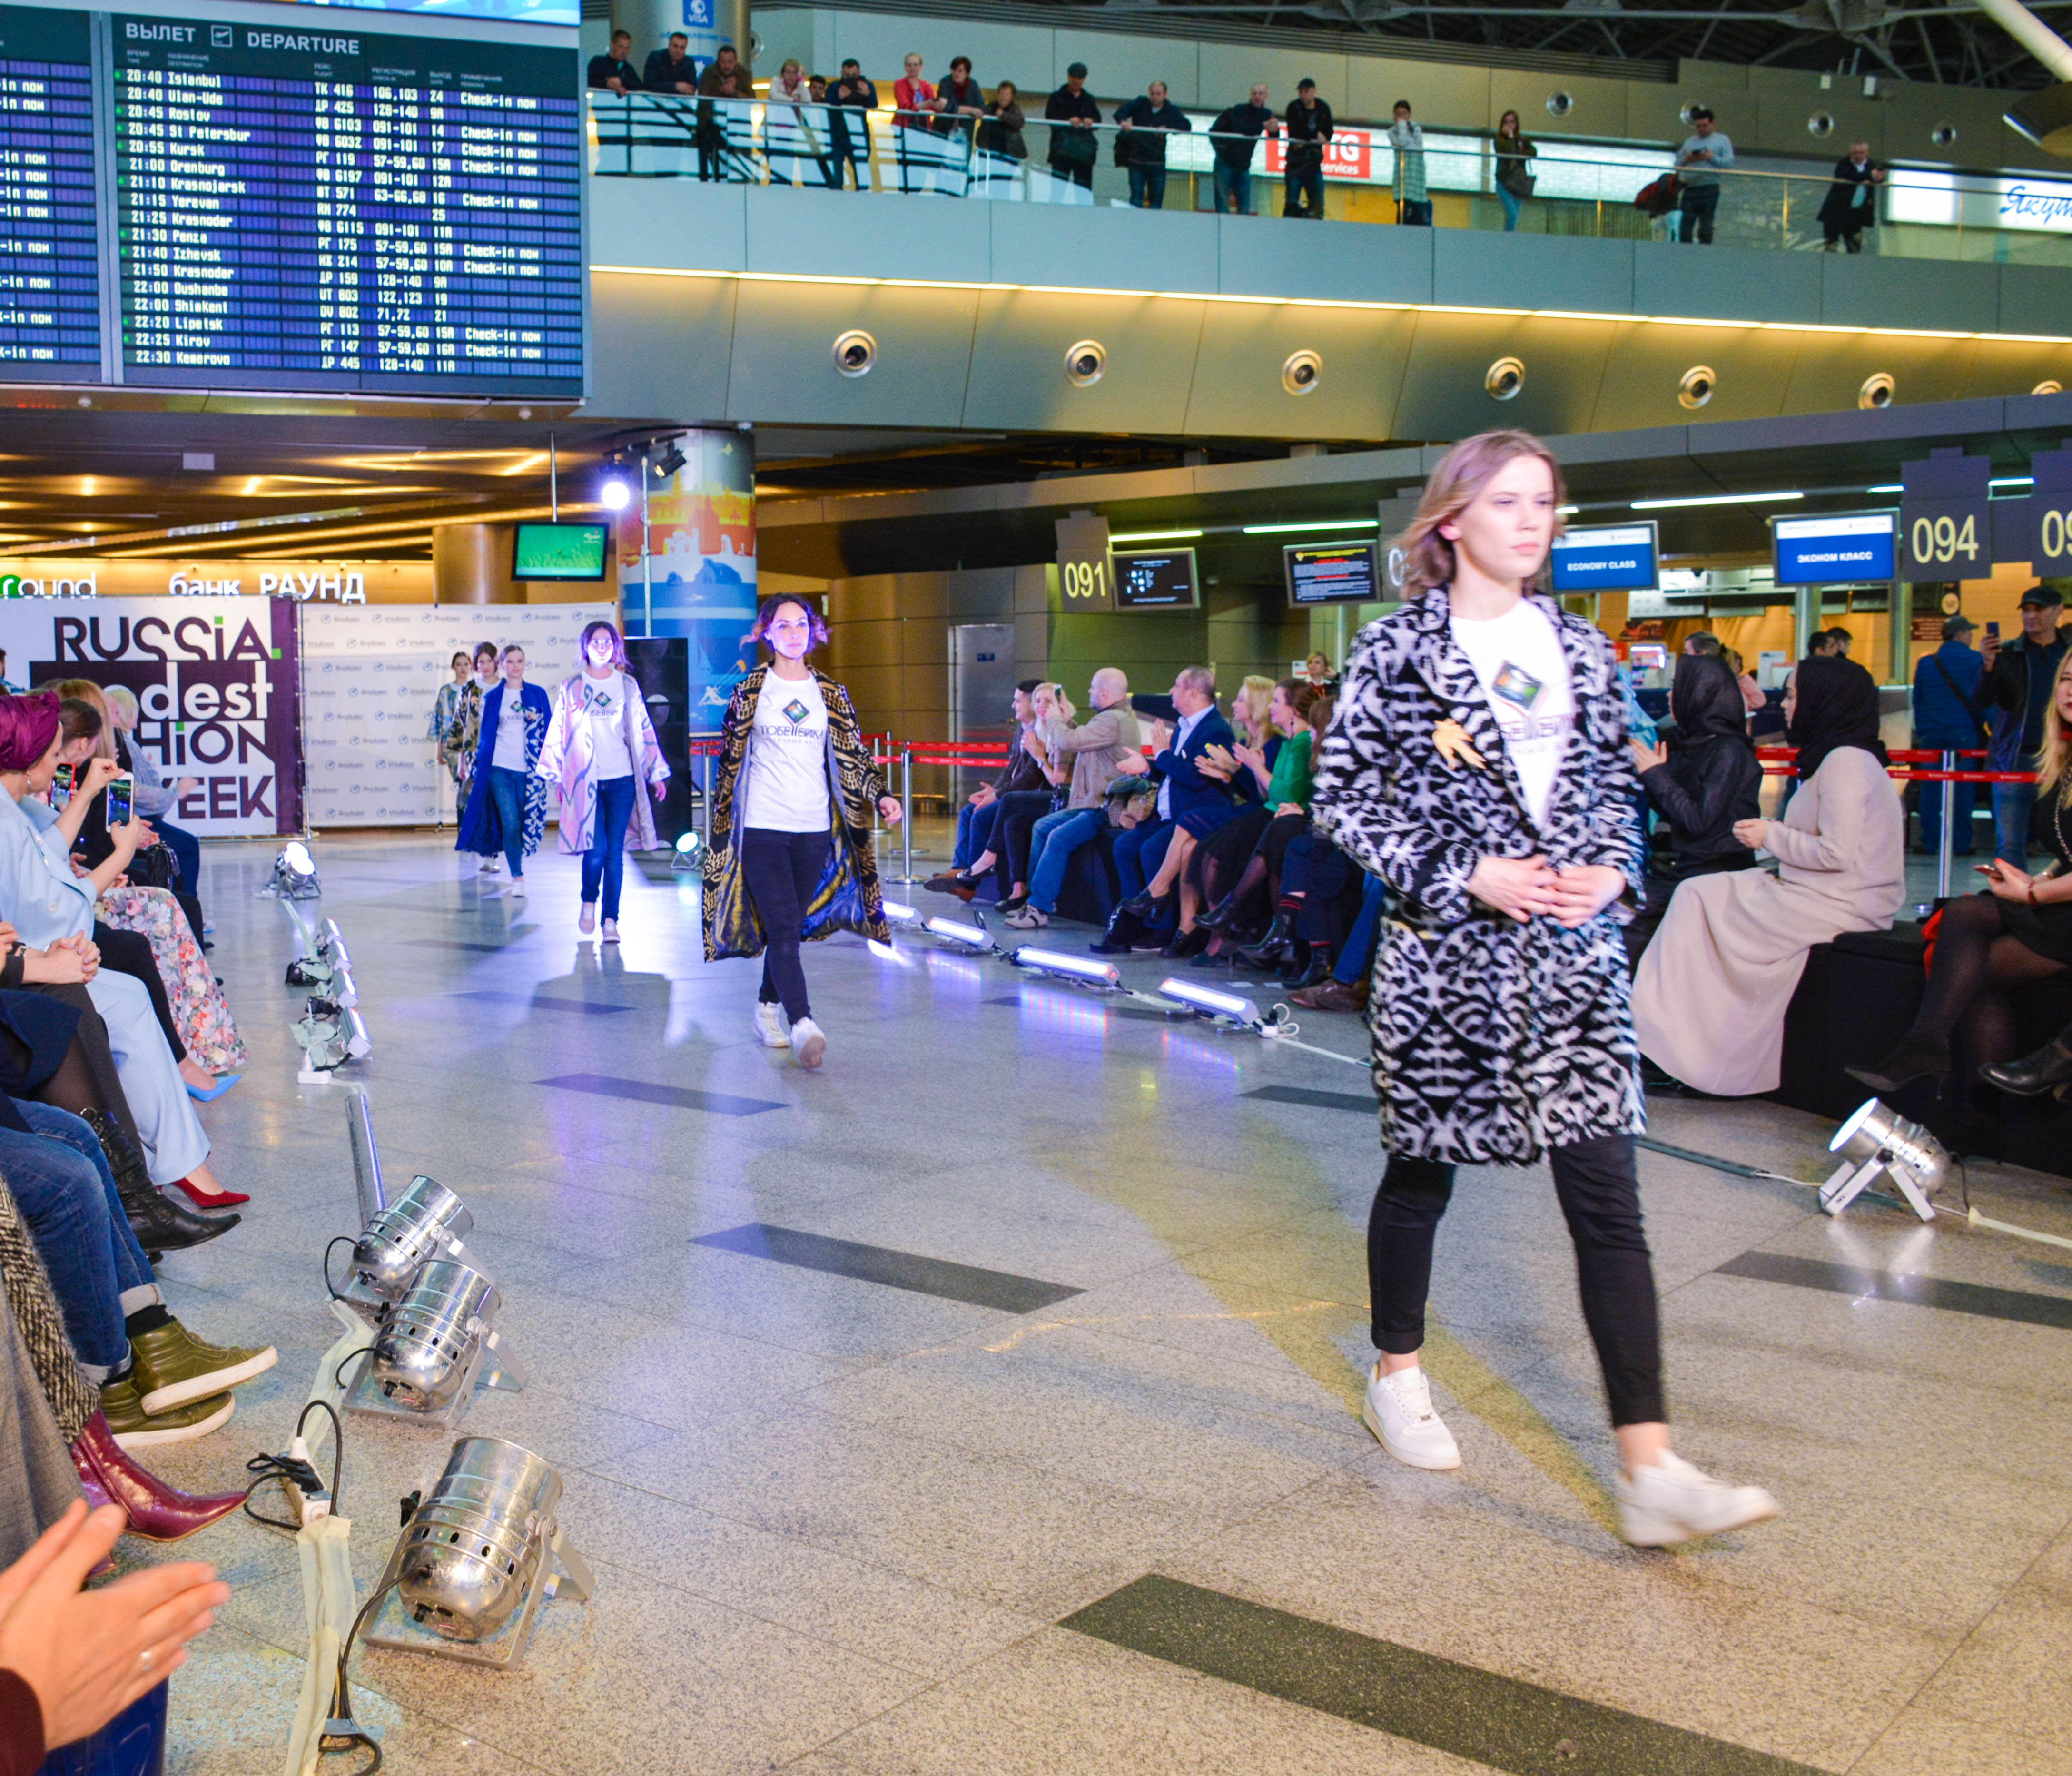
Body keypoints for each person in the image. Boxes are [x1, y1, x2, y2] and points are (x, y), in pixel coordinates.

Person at [1310, 426, 1779, 1547]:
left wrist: (1613, 868)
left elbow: (1617, 788)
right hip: (1448, 969)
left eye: (1544, 501)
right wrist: (1465, 871)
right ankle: (1396, 1371)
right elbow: (1341, 801)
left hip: (1571, 972)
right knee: (1419, 1175)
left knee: (1609, 1204)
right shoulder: (1394, 651)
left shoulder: (1579, 647)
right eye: (1508, 500)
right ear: (1451, 519)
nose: (1532, 521)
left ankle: (1648, 1466)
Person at [0, 698, 238, 1209]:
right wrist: (121, 855)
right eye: (54, 752)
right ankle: (151, 1179)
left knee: (130, 993)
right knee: (124, 985)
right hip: (28, 966)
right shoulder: (6, 815)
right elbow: (45, 902)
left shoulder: (12, 809)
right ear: (26, 755)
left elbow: (46, 871)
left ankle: (173, 1168)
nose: (61, 762)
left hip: (40, 952)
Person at [1634, 653, 1904, 1095]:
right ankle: (1669, 1046)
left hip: (1840, 904)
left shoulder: (1846, 763)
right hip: (1819, 893)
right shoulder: (1839, 759)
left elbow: (1836, 853)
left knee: (1699, 905)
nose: (1786, 705)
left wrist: (1771, 835)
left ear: (1824, 701)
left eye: (1794, 695)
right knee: (1697, 895)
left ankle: (1685, 1053)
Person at [1850, 651, 2072, 1099]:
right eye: (2066, 679)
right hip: (2061, 900)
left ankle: (1955, 1083)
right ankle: (1931, 1054)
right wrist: (2039, 881)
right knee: (1964, 918)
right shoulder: (2063, 759)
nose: (2070, 690)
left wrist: (2033, 896)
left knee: (1966, 971)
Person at [703, 595, 901, 1070]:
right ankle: (803, 1023)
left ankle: (765, 1008)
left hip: (813, 830)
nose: (794, 634)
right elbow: (729, 763)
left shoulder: (830, 693)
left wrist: (880, 794)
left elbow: (854, 755)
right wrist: (721, 832)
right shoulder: (751, 690)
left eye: (801, 625)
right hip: (762, 828)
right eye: (783, 626)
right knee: (784, 928)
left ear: (813, 632)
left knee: (787, 929)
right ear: (767, 633)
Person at [535, 623, 670, 944]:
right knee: (595, 850)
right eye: (595, 642)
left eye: (607, 641)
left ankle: (611, 920)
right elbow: (559, 731)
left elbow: (643, 728)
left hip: (622, 780)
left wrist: (656, 772)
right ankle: (588, 901)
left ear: (615, 647)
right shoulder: (572, 687)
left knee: (615, 854)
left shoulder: (627, 685)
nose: (601, 646)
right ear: (586, 647)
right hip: (585, 782)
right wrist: (559, 776)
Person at [1624, 653, 1761, 964]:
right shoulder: (1691, 743)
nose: (1670, 695)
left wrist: (1657, 775)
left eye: (1678, 686)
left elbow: (1698, 820)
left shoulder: (1729, 751)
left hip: (1716, 875)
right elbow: (1674, 812)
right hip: (1686, 869)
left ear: (1699, 694)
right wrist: (1652, 776)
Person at [1095, 669, 1236, 954]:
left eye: (1176, 686)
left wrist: (1162, 756)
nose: (1171, 691)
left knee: (1151, 850)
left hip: (1196, 816)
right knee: (1124, 847)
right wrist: (1149, 767)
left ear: (1193, 693)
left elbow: (1196, 778)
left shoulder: (1215, 730)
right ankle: (1133, 920)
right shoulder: (1184, 726)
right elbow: (1174, 771)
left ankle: (1161, 928)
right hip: (1169, 814)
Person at [1005, 669, 1139, 931]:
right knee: (1042, 827)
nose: (1088, 692)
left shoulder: (1113, 720)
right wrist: (1062, 720)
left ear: (1104, 693)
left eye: (1092, 688)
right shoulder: (1110, 718)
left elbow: (1067, 741)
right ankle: (1037, 899)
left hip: (1103, 807)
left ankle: (1038, 909)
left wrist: (1056, 718)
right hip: (1088, 802)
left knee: (1058, 838)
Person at [927, 682, 1046, 894]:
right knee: (968, 812)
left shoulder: (1043, 732)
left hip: (1026, 799)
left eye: (1018, 701)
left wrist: (998, 795)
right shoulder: (1022, 730)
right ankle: (959, 868)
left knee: (981, 816)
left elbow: (1031, 777)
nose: (1013, 706)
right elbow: (1011, 768)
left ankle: (971, 880)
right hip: (1010, 795)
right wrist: (993, 792)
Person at [1980, 584, 2069, 866]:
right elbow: (1981, 699)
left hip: (2062, 755)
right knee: (2010, 843)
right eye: (2026, 610)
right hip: (2015, 756)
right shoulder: (2007, 653)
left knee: (2066, 837)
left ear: (2059, 611)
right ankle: (2013, 893)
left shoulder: (2068, 653)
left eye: (2039, 609)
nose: (2031, 616)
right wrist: (1988, 667)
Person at [456, 645, 550, 901]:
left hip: (528, 772)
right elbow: (486, 735)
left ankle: (516, 862)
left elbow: (550, 732)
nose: (515, 666)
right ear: (503, 665)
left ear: (525, 664)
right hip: (499, 768)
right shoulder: (494, 696)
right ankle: (517, 877)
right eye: (510, 662)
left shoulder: (537, 694)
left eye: (520, 661)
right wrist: (475, 765)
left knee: (520, 822)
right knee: (510, 822)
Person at [1911, 613, 1985, 858]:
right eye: (1969, 632)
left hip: (1932, 735)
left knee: (1930, 788)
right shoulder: (1976, 660)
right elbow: (1982, 698)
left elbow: (1918, 700)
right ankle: (1962, 844)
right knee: (1963, 789)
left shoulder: (1926, 663)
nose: (1971, 636)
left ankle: (1929, 842)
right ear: (1960, 634)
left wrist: (1923, 729)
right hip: (1964, 733)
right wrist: (1985, 727)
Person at [454, 641, 500, 875]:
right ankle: (487, 854)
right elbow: (461, 725)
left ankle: (499, 852)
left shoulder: (506, 687)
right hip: (475, 755)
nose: (486, 666)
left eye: (489, 661)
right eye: (481, 662)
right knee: (480, 804)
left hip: (502, 753)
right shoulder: (470, 689)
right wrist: (461, 761)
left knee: (499, 804)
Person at [1114, 81, 1190, 210]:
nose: (1155, 97)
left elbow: (1186, 126)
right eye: (1153, 94)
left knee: (1156, 202)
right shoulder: (1140, 103)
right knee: (1136, 200)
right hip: (1137, 160)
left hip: (1157, 162)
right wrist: (1124, 121)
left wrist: (1168, 127)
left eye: (1159, 94)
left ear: (1165, 95)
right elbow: (1121, 112)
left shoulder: (1171, 110)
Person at [1209, 84, 1272, 215]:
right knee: (1225, 203)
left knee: (1241, 205)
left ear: (1266, 96)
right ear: (1250, 95)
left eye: (1261, 94)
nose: (1257, 97)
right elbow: (1243, 129)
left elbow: (1273, 135)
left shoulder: (1266, 114)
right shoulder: (1240, 110)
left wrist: (1274, 128)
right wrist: (1263, 126)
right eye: (1255, 93)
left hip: (1242, 164)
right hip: (1227, 161)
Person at [1675, 108, 1733, 245]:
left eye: (1704, 126)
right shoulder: (1690, 142)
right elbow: (1677, 163)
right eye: (1698, 126)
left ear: (1713, 124)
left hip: (1710, 186)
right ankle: (1685, 252)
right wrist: (1688, 159)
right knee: (1685, 227)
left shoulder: (1722, 140)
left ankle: (1704, 251)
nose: (1701, 129)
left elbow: (1729, 163)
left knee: (1706, 226)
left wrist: (1712, 158)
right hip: (1690, 187)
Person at [695, 44, 749, 182]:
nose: (726, 66)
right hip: (710, 123)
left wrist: (734, 92)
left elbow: (750, 100)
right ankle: (705, 179)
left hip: (736, 123)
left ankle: (740, 180)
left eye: (730, 62)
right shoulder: (709, 71)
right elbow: (703, 97)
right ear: (718, 61)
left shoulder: (745, 73)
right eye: (723, 62)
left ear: (736, 62)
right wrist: (722, 91)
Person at [1818, 142, 1884, 253]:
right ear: (1850, 153)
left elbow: (1877, 178)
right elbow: (1847, 176)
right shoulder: (1844, 164)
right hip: (1836, 213)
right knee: (1831, 248)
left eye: (1862, 153)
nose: (1858, 156)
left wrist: (1877, 178)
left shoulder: (1871, 165)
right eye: (1856, 153)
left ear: (1867, 153)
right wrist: (1867, 177)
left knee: (1854, 248)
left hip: (1856, 215)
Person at [1045, 62, 1101, 193]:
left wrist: (1091, 121)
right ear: (1069, 77)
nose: (1076, 81)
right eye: (1074, 77)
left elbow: (1098, 120)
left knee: (1083, 191)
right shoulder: (1056, 97)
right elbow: (1050, 117)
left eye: (1080, 78)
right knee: (1058, 190)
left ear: (1084, 79)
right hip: (1062, 151)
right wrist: (1068, 121)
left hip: (1083, 154)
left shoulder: (1089, 99)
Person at [1282, 78, 1332, 220]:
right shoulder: (1294, 107)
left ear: (1314, 92)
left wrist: (1322, 137)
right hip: (1296, 164)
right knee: (1292, 204)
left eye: (1306, 91)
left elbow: (1329, 131)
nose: (1303, 95)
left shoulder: (1323, 108)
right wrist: (1316, 136)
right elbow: (1295, 132)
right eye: (1301, 92)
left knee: (1317, 205)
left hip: (1313, 164)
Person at [828, 59, 878, 190]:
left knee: (862, 177)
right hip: (838, 137)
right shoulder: (834, 87)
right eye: (847, 76)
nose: (851, 80)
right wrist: (839, 98)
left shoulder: (867, 86)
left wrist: (868, 94)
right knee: (836, 179)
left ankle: (863, 202)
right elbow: (828, 106)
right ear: (842, 74)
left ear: (859, 73)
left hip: (859, 136)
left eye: (854, 76)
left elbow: (874, 104)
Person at [1492, 109, 1535, 231]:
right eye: (1506, 122)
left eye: (1512, 122)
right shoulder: (1499, 140)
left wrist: (1521, 153)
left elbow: (1533, 152)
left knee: (1515, 216)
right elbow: (1508, 151)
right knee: (1512, 214)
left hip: (1518, 182)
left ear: (1516, 123)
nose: (1509, 125)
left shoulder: (1523, 140)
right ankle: (1508, 238)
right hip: (1504, 182)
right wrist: (1511, 137)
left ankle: (1509, 235)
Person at [1388, 100, 1430, 227]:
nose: (1401, 117)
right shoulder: (1392, 132)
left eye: (1404, 114)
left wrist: (1405, 133)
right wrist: (1402, 127)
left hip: (1416, 176)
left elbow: (1416, 147)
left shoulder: (1416, 129)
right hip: (1403, 177)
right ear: (1394, 115)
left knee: (1418, 214)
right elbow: (1402, 144)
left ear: (1409, 115)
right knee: (1403, 212)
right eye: (1398, 114)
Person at [975, 80, 1027, 180]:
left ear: (1012, 97)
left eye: (1006, 95)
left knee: (1005, 179)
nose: (1003, 97)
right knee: (990, 179)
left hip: (1009, 152)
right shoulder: (990, 107)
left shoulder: (1014, 108)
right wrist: (983, 145)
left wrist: (1004, 115)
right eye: (1001, 94)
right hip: (991, 151)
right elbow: (983, 129)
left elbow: (1020, 122)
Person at [643, 31, 697, 97]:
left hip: (681, 102)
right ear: (669, 45)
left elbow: (692, 89)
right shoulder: (655, 58)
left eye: (682, 48)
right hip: (655, 100)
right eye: (675, 46)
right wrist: (675, 87)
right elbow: (649, 85)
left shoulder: (689, 63)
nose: (678, 51)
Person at [587, 29, 641, 93]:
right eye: (621, 47)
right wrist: (607, 84)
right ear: (612, 45)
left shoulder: (628, 69)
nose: (624, 51)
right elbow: (587, 81)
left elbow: (640, 87)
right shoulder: (598, 63)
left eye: (627, 48)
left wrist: (621, 81)